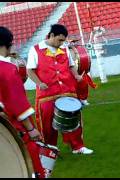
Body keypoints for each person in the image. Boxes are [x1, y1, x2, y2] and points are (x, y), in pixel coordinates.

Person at [27, 24, 93, 154]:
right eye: (60, 40)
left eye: (63, 40)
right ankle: (50, 150)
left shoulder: (64, 48)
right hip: (47, 94)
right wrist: (39, 83)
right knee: (47, 124)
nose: (62, 43)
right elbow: (30, 70)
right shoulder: (35, 49)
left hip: (67, 90)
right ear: (51, 35)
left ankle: (78, 147)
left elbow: (71, 65)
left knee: (73, 120)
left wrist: (77, 76)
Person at [0, 26, 47, 178]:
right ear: (6, 44)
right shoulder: (7, 69)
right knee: (28, 163)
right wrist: (31, 128)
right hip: (12, 126)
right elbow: (17, 103)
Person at [65, 39, 97, 106]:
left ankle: (83, 99)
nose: (74, 43)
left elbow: (80, 58)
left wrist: (74, 49)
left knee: (84, 85)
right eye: (72, 42)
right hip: (70, 72)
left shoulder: (79, 49)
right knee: (72, 87)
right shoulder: (64, 50)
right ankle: (74, 100)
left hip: (80, 71)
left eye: (74, 42)